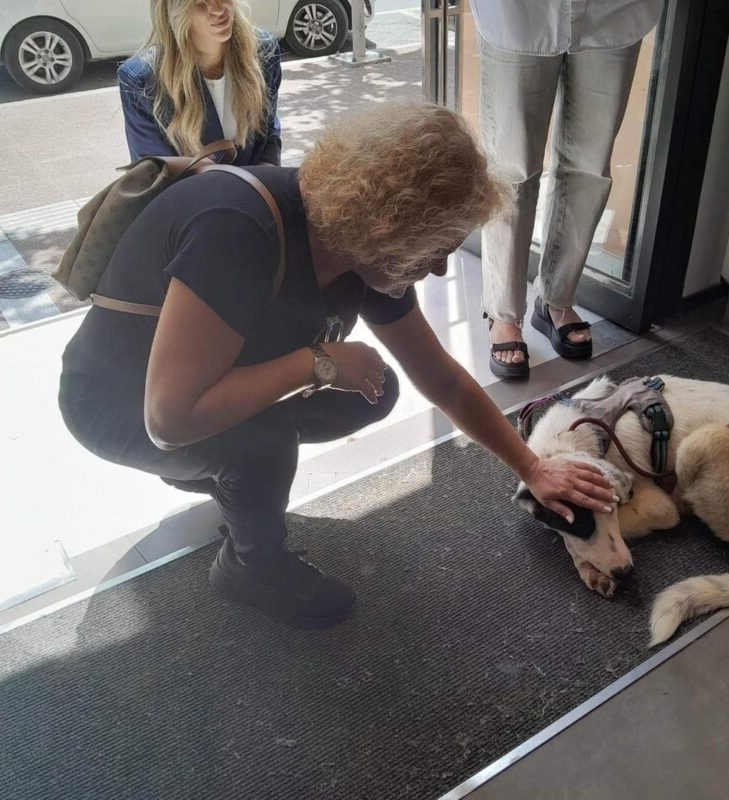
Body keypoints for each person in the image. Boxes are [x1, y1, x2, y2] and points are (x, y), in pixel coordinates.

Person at [58, 102, 618, 630]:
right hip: (116, 403)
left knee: (375, 388)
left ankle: (229, 475)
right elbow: (170, 419)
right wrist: (317, 362)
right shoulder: (237, 229)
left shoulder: (357, 243)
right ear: (389, 225)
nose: (443, 269)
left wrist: (532, 468)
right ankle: (250, 568)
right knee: (264, 443)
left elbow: (441, 378)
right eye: (435, 247)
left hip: (191, 391)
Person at [470, 0, 664, 378]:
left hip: (614, 13)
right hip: (519, 14)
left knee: (588, 167)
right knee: (512, 169)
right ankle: (503, 312)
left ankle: (556, 298)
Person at [118, 0, 282, 166]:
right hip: (191, 192)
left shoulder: (264, 52)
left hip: (256, 188)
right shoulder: (142, 80)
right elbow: (155, 175)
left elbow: (269, 136)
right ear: (175, 8)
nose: (218, 9)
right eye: (200, 2)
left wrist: (267, 177)